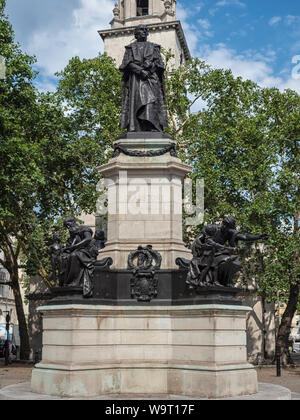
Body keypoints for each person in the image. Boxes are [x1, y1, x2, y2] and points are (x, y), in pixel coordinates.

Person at [119, 24, 168, 132]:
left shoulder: (154, 47)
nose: (144, 31)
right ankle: (136, 127)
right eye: (141, 30)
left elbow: (159, 64)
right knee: (136, 102)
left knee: (151, 102)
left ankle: (152, 126)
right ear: (136, 34)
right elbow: (126, 64)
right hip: (136, 80)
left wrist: (150, 68)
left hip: (151, 78)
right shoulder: (130, 48)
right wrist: (140, 71)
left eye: (146, 30)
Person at [60, 217, 95, 297]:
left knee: (73, 256)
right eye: (66, 227)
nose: (68, 228)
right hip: (77, 250)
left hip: (87, 251)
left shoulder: (84, 228)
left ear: (73, 222)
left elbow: (88, 239)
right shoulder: (72, 235)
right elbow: (69, 245)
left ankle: (74, 282)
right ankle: (65, 282)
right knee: (63, 258)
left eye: (68, 225)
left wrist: (75, 246)